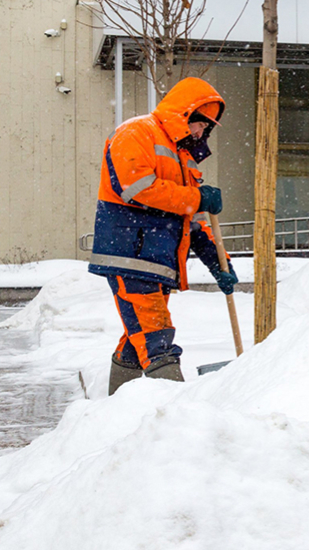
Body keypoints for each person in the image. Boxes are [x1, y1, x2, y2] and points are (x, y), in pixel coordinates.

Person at [89, 77, 237, 394]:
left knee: (137, 338)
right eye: (199, 123)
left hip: (157, 261)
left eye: (206, 128)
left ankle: (111, 411)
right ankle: (179, 417)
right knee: (157, 339)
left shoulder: (183, 158)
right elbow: (136, 188)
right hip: (129, 255)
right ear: (184, 114)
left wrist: (218, 262)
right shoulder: (136, 132)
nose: (201, 132)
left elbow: (193, 219)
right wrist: (196, 198)